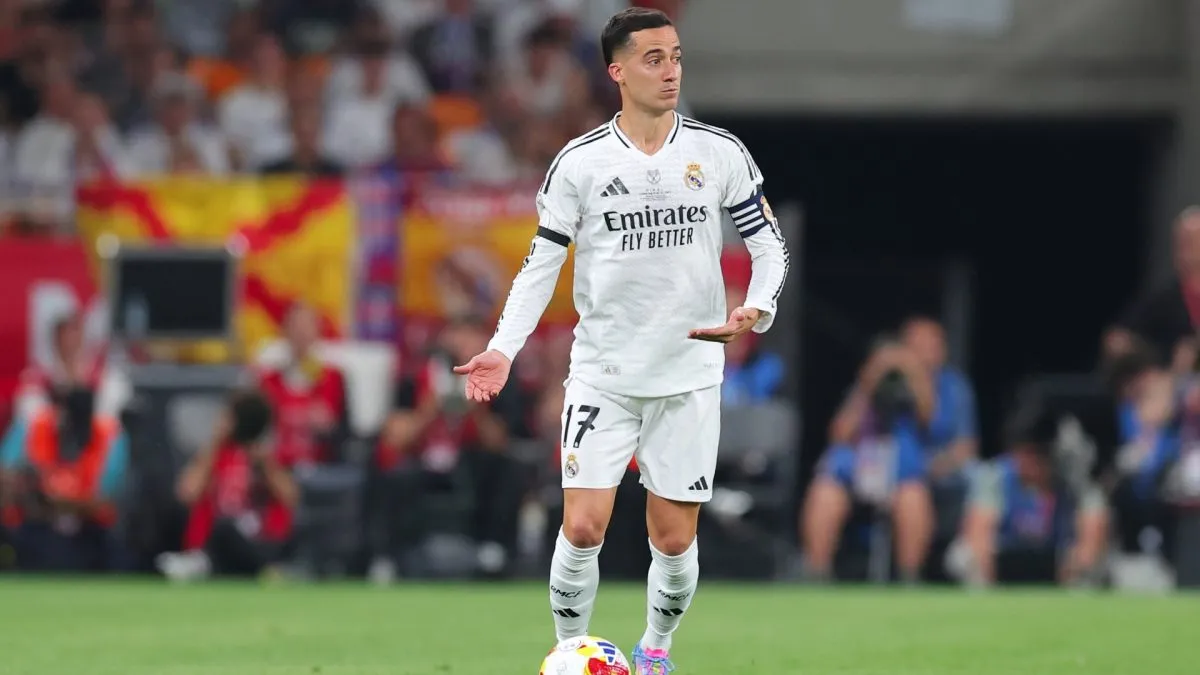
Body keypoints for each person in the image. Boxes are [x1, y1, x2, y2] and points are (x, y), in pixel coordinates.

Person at [452, 8, 789, 673]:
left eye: (677, 57)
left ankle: (656, 652)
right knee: (583, 526)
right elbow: (540, 263)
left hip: (689, 372)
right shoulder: (580, 163)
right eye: (654, 59)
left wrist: (757, 305)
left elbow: (768, 244)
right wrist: (503, 346)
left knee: (673, 536)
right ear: (618, 71)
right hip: (604, 371)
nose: (670, 71)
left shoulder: (717, 151)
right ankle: (570, 651)